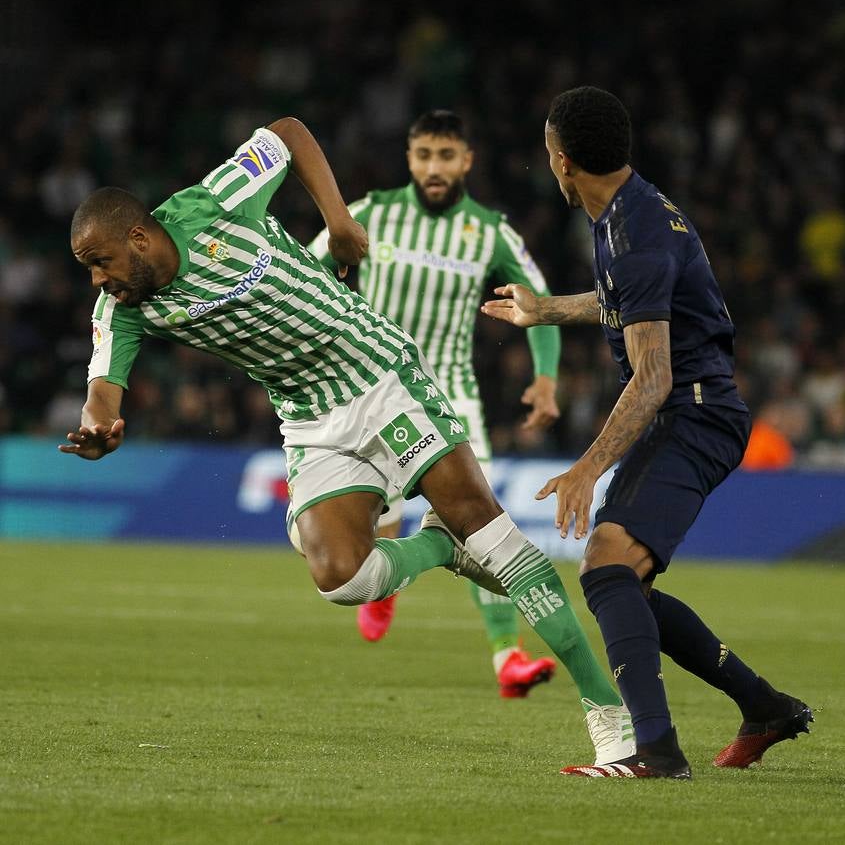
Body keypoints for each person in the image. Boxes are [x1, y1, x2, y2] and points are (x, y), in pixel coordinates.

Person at [59, 116, 634, 765]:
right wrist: (98, 424)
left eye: (100, 263)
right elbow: (103, 385)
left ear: (137, 237)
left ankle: (605, 712)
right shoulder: (122, 307)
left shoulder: (213, 202)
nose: (97, 282)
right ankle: (440, 548)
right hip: (308, 416)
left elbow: (290, 131)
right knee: (342, 578)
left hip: (377, 372)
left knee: (492, 533)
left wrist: (336, 221)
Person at [482, 86, 813, 779]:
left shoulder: (631, 235)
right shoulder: (627, 212)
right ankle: (765, 707)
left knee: (605, 568)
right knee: (624, 580)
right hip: (694, 410)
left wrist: (585, 467)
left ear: (562, 162)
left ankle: (656, 752)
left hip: (693, 413)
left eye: (548, 155)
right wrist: (545, 310)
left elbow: (653, 376)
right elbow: (623, 300)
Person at [308, 109, 560, 698]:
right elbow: (305, 272)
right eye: (424, 155)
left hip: (451, 393)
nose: (434, 167)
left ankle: (509, 658)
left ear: (467, 160)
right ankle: (385, 577)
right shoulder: (371, 213)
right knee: (377, 511)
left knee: (483, 523)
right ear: (409, 158)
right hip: (370, 388)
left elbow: (540, 299)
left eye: (446, 156)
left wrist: (545, 379)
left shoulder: (490, 232)